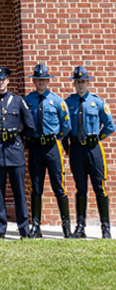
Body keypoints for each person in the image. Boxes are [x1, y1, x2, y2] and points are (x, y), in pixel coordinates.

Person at [0, 66, 35, 239]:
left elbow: (30, 126)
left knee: (19, 192)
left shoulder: (18, 101)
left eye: (3, 79)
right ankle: (0, 228)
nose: (1, 82)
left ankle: (24, 229)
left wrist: (20, 141)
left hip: (15, 151)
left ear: (8, 81)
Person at [64, 65, 115, 239]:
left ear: (88, 82)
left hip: (94, 149)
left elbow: (110, 126)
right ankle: (80, 227)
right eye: (77, 82)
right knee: (80, 188)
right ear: (74, 83)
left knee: (99, 187)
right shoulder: (68, 103)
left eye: (83, 81)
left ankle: (105, 228)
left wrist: (98, 138)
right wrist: (67, 148)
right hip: (76, 149)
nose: (80, 85)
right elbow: (64, 128)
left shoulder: (98, 102)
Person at [24, 64, 72, 238]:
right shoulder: (28, 100)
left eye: (44, 79)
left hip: (53, 147)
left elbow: (66, 125)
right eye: (39, 79)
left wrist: (55, 137)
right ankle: (36, 226)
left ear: (48, 81)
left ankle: (66, 226)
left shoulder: (58, 101)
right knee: (35, 187)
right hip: (35, 147)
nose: (41, 82)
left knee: (59, 187)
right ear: (34, 81)